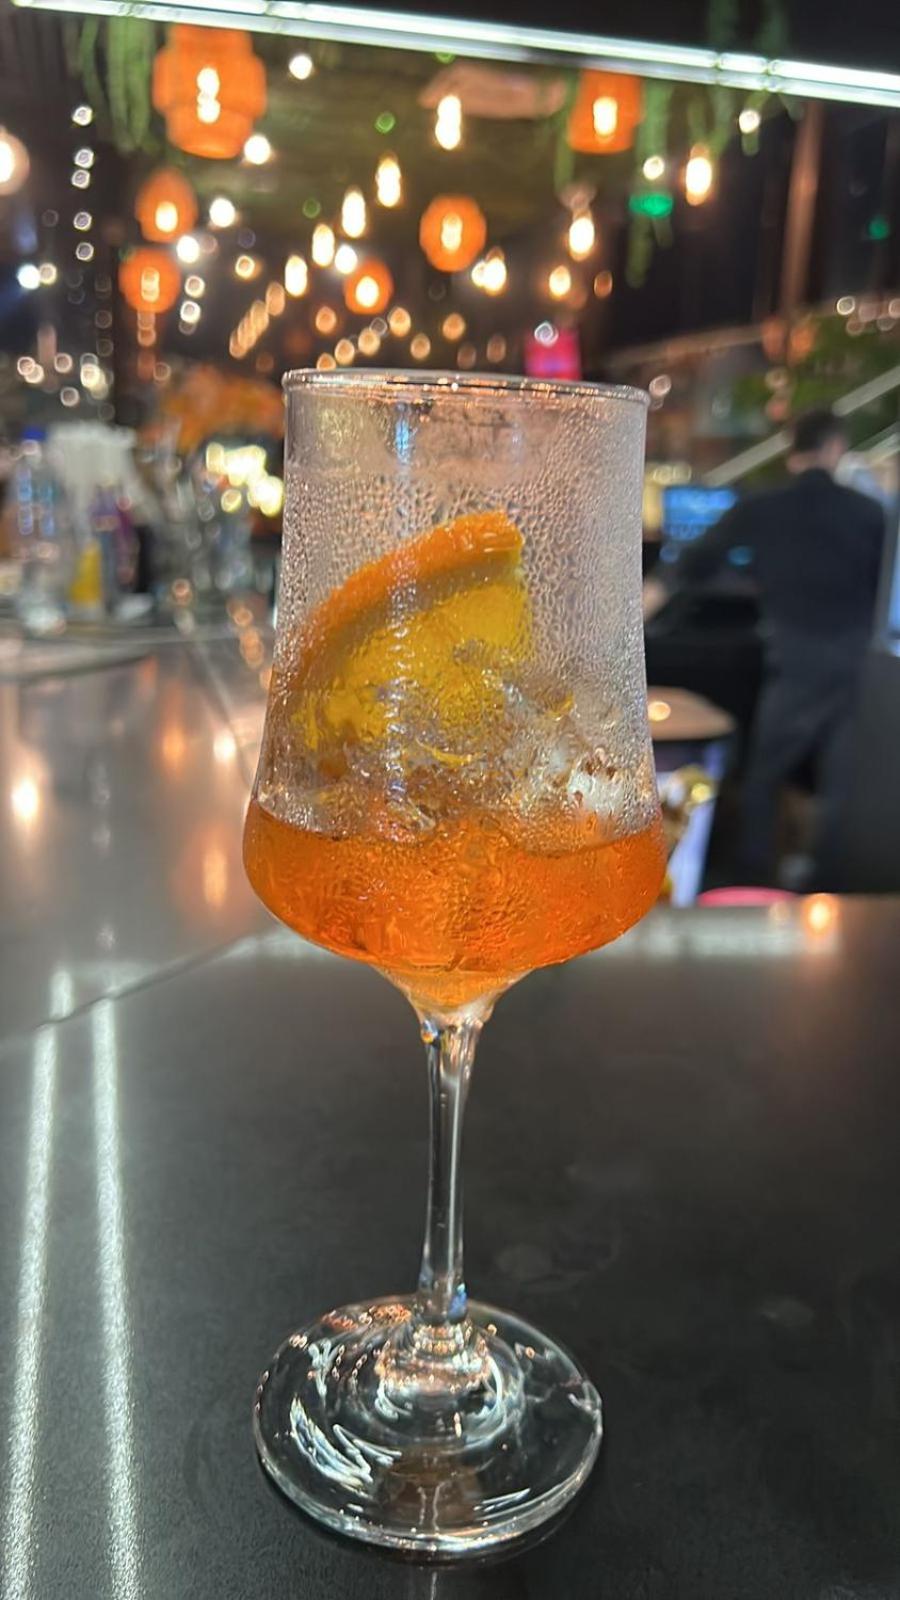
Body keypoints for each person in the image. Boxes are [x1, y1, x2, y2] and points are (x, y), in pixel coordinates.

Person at [643, 410, 887, 887]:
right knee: (841, 789)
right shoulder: (871, 512)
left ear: (792, 451)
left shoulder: (762, 507)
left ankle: (753, 884)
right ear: (836, 447)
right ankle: (829, 894)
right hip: (856, 668)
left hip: (794, 665)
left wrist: (648, 600)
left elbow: (693, 562)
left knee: (763, 779)